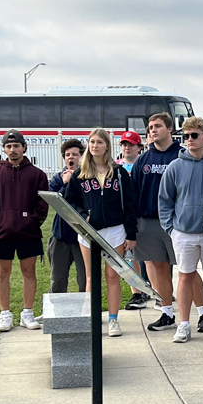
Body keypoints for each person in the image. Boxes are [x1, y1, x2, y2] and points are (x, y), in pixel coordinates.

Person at [64, 128, 138, 338]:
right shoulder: (80, 173)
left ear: (107, 145)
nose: (95, 146)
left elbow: (130, 205)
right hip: (89, 232)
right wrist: (82, 215)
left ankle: (113, 320)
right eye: (91, 142)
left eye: (99, 142)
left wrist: (131, 234)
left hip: (115, 230)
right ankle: (91, 318)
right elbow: (71, 201)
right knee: (90, 276)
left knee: (112, 275)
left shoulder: (120, 173)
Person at [159, 116, 203, 344]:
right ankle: (184, 324)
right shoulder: (175, 166)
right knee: (185, 277)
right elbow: (165, 200)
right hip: (183, 233)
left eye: (194, 135)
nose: (189, 140)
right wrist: (171, 229)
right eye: (186, 136)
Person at [0, 129, 50, 332]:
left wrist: (31, 222)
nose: (13, 150)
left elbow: (42, 204)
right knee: (2, 272)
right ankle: (5, 314)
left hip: (28, 233)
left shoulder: (37, 175)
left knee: (29, 272)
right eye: (9, 146)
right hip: (1, 232)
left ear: (24, 147)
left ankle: (27, 313)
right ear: (4, 149)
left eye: (16, 146)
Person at [134, 113, 194, 331]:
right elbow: (135, 192)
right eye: (150, 127)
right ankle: (167, 312)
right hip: (149, 221)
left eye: (158, 126)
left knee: (188, 270)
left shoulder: (181, 156)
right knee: (159, 267)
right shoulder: (143, 159)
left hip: (177, 223)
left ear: (170, 129)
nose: (153, 130)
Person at [48, 139, 87, 294]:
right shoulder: (58, 179)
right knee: (58, 278)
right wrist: (65, 184)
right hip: (61, 235)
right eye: (68, 155)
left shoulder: (88, 178)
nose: (71, 158)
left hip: (82, 236)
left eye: (75, 154)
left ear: (82, 157)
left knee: (84, 279)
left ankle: (87, 312)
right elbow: (56, 202)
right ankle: (57, 313)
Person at [117, 130, 150, 310]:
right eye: (124, 144)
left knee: (150, 258)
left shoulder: (143, 165)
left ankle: (155, 289)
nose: (127, 148)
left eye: (131, 144)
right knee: (130, 258)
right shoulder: (116, 166)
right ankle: (137, 293)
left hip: (142, 215)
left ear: (139, 147)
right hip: (124, 217)